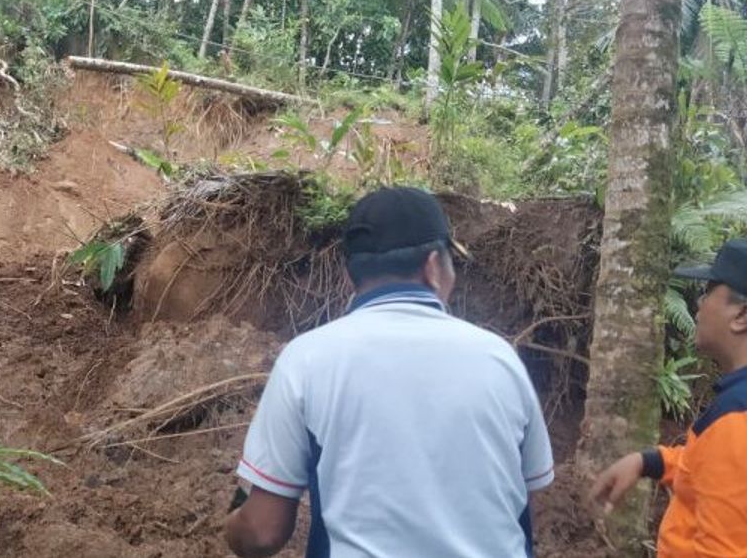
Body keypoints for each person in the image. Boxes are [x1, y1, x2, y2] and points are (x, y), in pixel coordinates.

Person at [225, 186, 554, 558]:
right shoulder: (501, 360)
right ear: (433, 268)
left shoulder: (307, 360)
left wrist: (234, 523)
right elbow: (522, 503)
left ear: (351, 278)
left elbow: (262, 534)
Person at [589, 239, 747, 555]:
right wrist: (650, 461)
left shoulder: (736, 416)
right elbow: (711, 468)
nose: (699, 304)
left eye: (709, 292)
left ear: (741, 315)